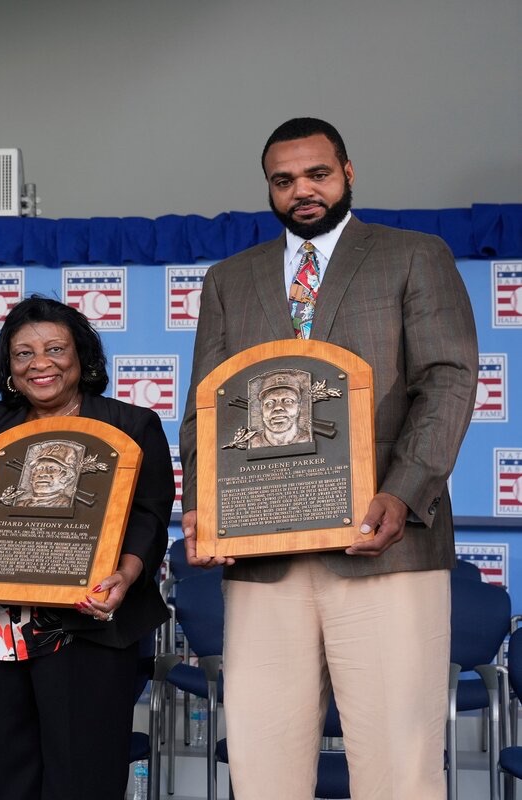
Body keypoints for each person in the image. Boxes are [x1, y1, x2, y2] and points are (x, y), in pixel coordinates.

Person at [179, 117, 477, 799]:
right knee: (262, 765)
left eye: (317, 174)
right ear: (270, 188)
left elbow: (449, 379)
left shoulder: (412, 255)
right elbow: (207, 407)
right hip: (263, 557)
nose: (301, 191)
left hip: (385, 547)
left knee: (398, 766)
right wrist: (204, 506)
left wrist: (402, 494)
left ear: (348, 172)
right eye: (284, 180)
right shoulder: (230, 278)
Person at [0, 296, 172, 800]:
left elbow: (149, 518)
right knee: (7, 774)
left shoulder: (131, 424)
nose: (40, 363)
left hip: (92, 623)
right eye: (23, 354)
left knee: (83, 776)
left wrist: (123, 577)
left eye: (55, 348)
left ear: (82, 358)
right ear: (9, 369)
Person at [248, 373, 310, 448]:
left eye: (288, 401)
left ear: (298, 408)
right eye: (270, 403)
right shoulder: (252, 443)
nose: (278, 407)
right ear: (262, 409)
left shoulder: (309, 439)